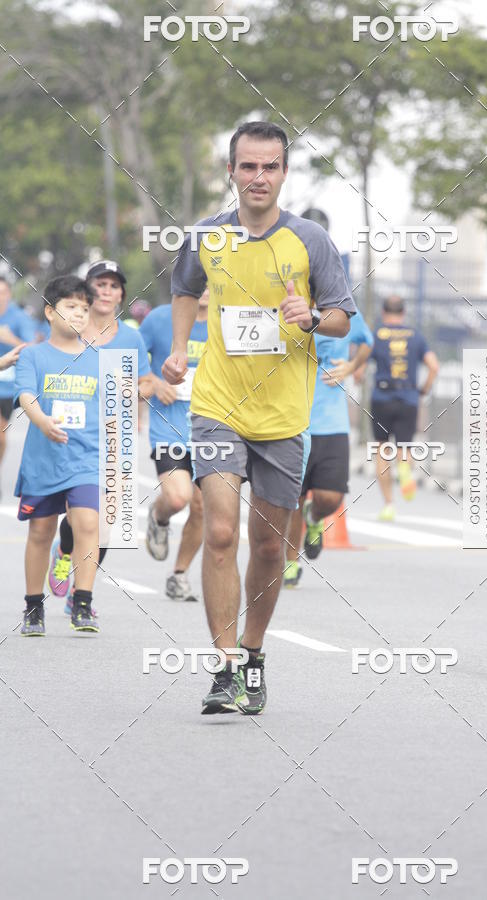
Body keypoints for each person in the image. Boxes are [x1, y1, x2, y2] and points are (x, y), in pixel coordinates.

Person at [163, 120, 355, 715]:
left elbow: (343, 317)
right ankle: (222, 670)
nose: (259, 177)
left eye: (270, 166)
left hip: (283, 418)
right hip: (218, 405)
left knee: (269, 549)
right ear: (231, 172)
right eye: (248, 166)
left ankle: (253, 657)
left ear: (285, 173)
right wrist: (177, 350)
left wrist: (311, 317)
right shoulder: (206, 237)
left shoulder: (310, 242)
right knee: (219, 531)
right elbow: (184, 290)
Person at [47, 260, 153, 612]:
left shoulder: (131, 337)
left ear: (122, 294)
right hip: (68, 432)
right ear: (86, 291)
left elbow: (147, 381)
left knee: (106, 522)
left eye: (113, 286)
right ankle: (64, 552)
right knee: (77, 513)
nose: (106, 291)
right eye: (100, 284)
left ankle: (81, 594)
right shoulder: (69, 330)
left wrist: (137, 392)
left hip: (114, 437)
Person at [15, 276, 100, 635]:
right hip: (44, 459)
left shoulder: (99, 360)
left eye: (84, 308)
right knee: (40, 531)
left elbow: (116, 411)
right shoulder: (33, 354)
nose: (79, 314)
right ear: (50, 312)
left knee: (88, 524)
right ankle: (34, 607)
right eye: (70, 306)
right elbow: (25, 395)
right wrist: (43, 422)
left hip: (87, 460)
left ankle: (83, 603)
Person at [283, 306, 373, 587]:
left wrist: (350, 367)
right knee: (293, 498)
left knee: (330, 498)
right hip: (292, 420)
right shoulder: (288, 307)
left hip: (332, 422)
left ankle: (315, 517)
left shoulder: (345, 312)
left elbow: (367, 343)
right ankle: (290, 562)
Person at [139, 289, 208, 601]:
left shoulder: (229, 321)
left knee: (203, 506)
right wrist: (154, 383)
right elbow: (131, 364)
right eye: (200, 279)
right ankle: (160, 516)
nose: (206, 286)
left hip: (215, 431)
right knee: (180, 497)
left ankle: (179, 574)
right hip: (170, 429)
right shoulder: (158, 320)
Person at [370, 296, 439, 521]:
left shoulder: (377, 334)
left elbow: (360, 363)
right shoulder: (415, 336)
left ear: (383, 312)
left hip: (381, 397)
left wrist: (358, 374)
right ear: (404, 312)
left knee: (381, 450)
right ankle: (405, 469)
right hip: (408, 397)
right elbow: (434, 366)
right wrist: (424, 389)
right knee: (405, 448)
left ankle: (389, 505)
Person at [0, 276, 37, 495]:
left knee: (1, 437)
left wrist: (10, 338)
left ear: (9, 294)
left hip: (9, 389)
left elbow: (33, 349)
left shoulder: (19, 317)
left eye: (3, 292)